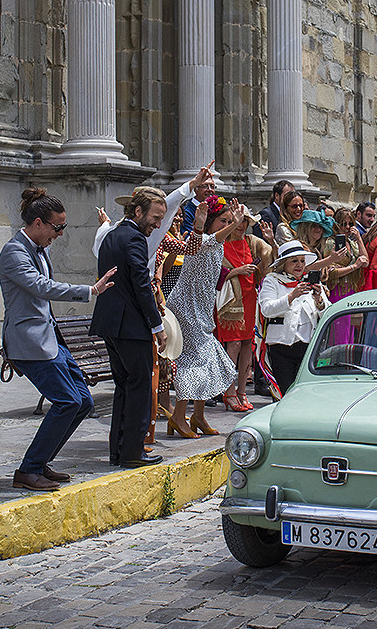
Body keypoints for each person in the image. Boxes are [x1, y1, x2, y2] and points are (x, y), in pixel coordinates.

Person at [0, 188, 118, 491]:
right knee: (66, 402)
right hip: (30, 343)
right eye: (58, 227)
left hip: (50, 339)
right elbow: (41, 287)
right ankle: (29, 470)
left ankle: (41, 462)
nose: (60, 234)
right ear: (38, 223)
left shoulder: (39, 249)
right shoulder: (14, 252)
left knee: (82, 401)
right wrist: (89, 291)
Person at [93, 186, 176, 469]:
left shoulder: (111, 236)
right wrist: (157, 327)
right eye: (155, 218)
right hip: (130, 326)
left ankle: (119, 450)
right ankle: (133, 452)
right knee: (139, 387)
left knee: (123, 387)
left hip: (110, 324)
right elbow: (142, 286)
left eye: (161, 218)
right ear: (137, 211)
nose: (157, 224)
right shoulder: (135, 239)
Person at [165, 198, 241, 435]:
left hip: (202, 308)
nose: (227, 225)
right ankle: (178, 416)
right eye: (223, 221)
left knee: (207, 361)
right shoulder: (201, 240)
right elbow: (203, 242)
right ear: (210, 222)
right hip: (186, 308)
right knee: (194, 362)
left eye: (230, 221)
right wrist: (232, 225)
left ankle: (197, 416)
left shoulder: (217, 245)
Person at [217, 202, 273, 413]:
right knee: (232, 346)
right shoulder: (221, 243)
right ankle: (228, 390)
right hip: (230, 300)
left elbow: (272, 257)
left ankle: (242, 390)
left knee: (248, 345)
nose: (240, 226)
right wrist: (237, 271)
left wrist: (272, 240)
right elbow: (214, 275)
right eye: (233, 222)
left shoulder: (252, 242)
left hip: (250, 298)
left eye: (244, 222)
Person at [258, 240, 328, 395]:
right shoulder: (273, 280)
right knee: (285, 393)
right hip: (281, 346)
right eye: (294, 261)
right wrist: (291, 296)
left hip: (308, 348)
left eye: (302, 261)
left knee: (305, 394)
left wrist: (319, 301)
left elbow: (327, 314)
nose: (299, 265)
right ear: (283, 263)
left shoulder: (311, 282)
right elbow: (267, 309)